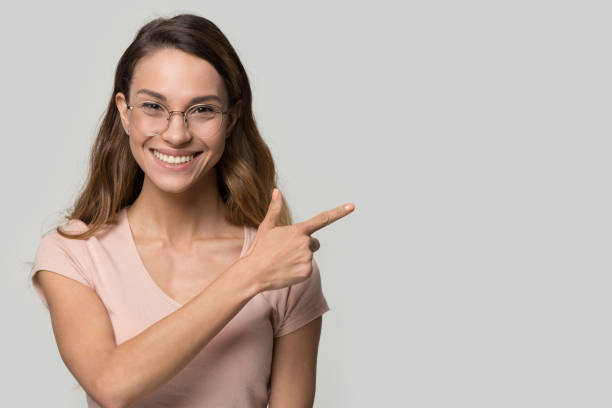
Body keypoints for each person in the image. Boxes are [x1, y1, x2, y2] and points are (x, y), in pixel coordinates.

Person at [29, 13, 355, 408]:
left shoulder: (282, 265)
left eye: (202, 110)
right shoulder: (74, 253)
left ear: (231, 118)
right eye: (153, 106)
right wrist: (249, 275)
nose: (177, 133)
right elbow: (110, 384)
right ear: (124, 111)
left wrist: (262, 268)